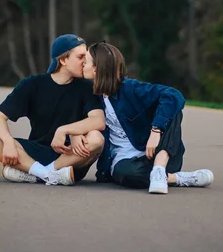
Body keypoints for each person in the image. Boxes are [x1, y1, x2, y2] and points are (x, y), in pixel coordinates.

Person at [83, 41, 214, 194]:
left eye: (85, 62)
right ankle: (176, 178)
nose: (82, 65)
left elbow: (173, 95)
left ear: (96, 70)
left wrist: (156, 130)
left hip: (159, 154)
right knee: (127, 174)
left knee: (172, 108)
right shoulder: (91, 97)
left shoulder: (130, 89)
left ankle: (159, 170)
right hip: (128, 164)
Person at [0, 34, 105, 186]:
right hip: (36, 152)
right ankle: (46, 175)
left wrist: (67, 131)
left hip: (70, 158)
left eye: (86, 57)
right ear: (63, 60)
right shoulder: (33, 85)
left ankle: (36, 173)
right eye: (80, 57)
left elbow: (98, 120)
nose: (85, 62)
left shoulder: (87, 87)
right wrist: (8, 142)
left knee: (96, 139)